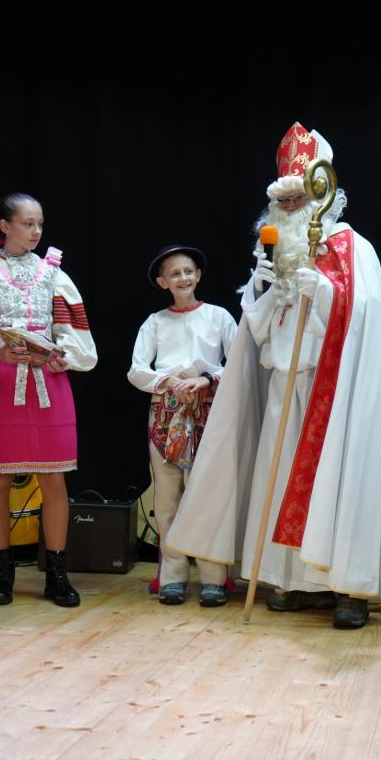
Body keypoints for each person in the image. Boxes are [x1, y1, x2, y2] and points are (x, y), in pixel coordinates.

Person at [166, 122, 381, 629]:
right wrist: (263, 289)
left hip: (332, 389)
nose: (290, 208)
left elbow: (365, 314)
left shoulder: (351, 247)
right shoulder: (276, 250)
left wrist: (327, 292)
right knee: (279, 476)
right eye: (283, 201)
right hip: (283, 382)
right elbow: (257, 328)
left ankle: (346, 587)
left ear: (322, 194)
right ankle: (290, 579)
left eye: (298, 198)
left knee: (334, 480)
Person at [0, 193, 97, 607]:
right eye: (28, 223)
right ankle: (2, 572)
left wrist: (62, 356)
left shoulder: (53, 275)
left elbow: (77, 341)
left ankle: (57, 573)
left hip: (48, 385)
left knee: (54, 478)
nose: (36, 231)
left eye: (40, 223)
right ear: (5, 226)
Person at [127, 245, 236, 607]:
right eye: (175, 274)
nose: (183, 278)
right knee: (167, 496)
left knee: (206, 494)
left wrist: (208, 379)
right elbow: (136, 370)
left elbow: (239, 362)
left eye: (189, 271)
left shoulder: (219, 317)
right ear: (163, 282)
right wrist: (168, 381)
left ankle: (213, 576)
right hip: (166, 412)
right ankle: (172, 575)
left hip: (208, 410)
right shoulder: (155, 322)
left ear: (199, 275)